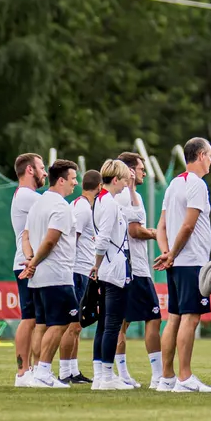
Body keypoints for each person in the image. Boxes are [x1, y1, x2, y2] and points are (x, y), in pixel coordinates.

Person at [16, 160, 80, 387]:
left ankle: (38, 372)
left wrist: (31, 260)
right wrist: (33, 262)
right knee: (62, 323)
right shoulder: (61, 206)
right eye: (73, 178)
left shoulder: (38, 204)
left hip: (39, 278)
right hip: (57, 275)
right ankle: (43, 371)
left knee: (43, 324)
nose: (76, 183)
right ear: (61, 180)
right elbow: (51, 239)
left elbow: (25, 236)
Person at [158, 137, 211, 391]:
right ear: (201, 155)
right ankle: (184, 377)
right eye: (210, 156)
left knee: (174, 318)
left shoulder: (173, 185)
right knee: (190, 319)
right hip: (191, 261)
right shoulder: (197, 184)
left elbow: (162, 226)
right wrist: (172, 254)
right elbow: (188, 225)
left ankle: (167, 378)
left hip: (177, 261)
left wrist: (167, 252)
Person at [112, 151, 165, 388]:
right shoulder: (129, 196)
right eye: (141, 168)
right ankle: (157, 375)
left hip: (123, 267)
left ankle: (121, 373)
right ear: (131, 171)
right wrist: (155, 233)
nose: (144, 172)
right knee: (153, 318)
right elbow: (135, 231)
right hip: (136, 269)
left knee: (120, 323)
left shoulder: (115, 195)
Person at [89, 159, 138, 389]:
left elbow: (134, 213)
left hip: (109, 267)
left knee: (104, 324)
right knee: (112, 324)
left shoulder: (103, 200)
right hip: (113, 269)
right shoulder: (107, 202)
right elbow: (103, 239)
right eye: (123, 181)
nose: (125, 185)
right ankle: (107, 376)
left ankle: (100, 374)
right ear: (115, 180)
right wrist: (96, 266)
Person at [57, 169, 100, 384]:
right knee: (72, 324)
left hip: (82, 270)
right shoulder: (83, 207)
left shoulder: (81, 205)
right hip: (77, 271)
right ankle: (64, 371)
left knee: (78, 325)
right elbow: (73, 240)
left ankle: (73, 370)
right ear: (99, 187)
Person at [9, 153, 45, 385]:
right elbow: (57, 210)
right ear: (30, 170)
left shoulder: (28, 196)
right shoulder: (26, 195)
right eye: (41, 167)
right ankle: (23, 372)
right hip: (26, 263)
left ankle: (32, 371)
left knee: (36, 319)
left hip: (32, 263)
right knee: (29, 318)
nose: (44, 172)